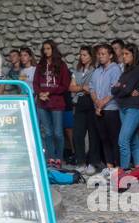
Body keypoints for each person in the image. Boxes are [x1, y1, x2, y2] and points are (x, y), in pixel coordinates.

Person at [111, 44, 139, 171]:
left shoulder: (138, 70)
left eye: (127, 54)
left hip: (134, 108)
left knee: (123, 140)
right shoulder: (125, 72)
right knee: (133, 139)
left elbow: (124, 89)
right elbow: (114, 90)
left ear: (134, 55)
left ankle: (124, 170)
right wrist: (122, 88)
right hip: (124, 108)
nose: (124, 56)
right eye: (123, 54)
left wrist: (121, 88)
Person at [33, 39, 69, 168]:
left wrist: (49, 92)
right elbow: (35, 82)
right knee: (47, 132)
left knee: (58, 132)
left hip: (57, 103)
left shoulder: (61, 65)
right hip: (42, 103)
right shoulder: (40, 64)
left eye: (48, 48)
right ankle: (50, 157)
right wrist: (40, 93)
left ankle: (59, 157)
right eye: (44, 49)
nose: (46, 51)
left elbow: (64, 85)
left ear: (53, 49)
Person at [88, 44, 122, 172]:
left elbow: (114, 90)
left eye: (103, 54)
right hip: (98, 109)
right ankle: (109, 166)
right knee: (104, 138)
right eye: (99, 54)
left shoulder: (115, 70)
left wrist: (101, 104)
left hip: (111, 109)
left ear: (110, 55)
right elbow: (91, 88)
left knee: (114, 138)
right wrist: (96, 102)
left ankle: (118, 167)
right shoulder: (97, 71)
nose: (100, 56)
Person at [68, 45, 100, 173]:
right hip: (80, 103)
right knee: (78, 134)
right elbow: (71, 88)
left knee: (93, 134)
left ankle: (92, 162)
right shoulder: (78, 71)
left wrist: (79, 87)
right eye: (81, 55)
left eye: (85, 55)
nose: (82, 57)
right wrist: (82, 87)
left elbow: (92, 87)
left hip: (91, 103)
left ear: (91, 56)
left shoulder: (96, 70)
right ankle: (80, 162)